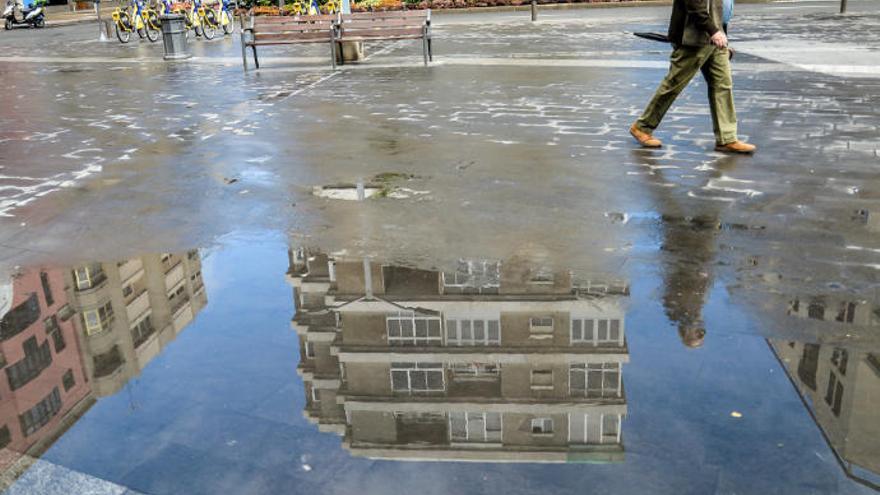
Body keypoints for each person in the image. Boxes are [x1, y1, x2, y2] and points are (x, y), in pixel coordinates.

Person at [629, 0, 756, 154]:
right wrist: (713, 31)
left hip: (715, 36)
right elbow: (694, 5)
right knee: (674, 84)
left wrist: (720, 32)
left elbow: (720, 8)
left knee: (723, 85)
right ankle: (642, 127)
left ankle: (727, 138)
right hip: (693, 38)